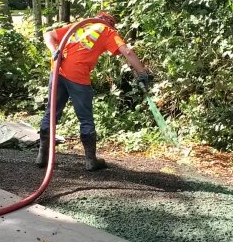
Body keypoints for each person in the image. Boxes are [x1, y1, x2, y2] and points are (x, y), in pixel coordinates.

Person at [36, 11, 149, 171]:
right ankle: (90, 161)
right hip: (77, 74)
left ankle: (42, 156)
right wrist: (142, 73)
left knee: (51, 112)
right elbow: (127, 52)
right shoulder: (108, 31)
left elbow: (49, 34)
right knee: (85, 118)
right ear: (110, 23)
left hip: (57, 71)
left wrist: (54, 50)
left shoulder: (82, 26)